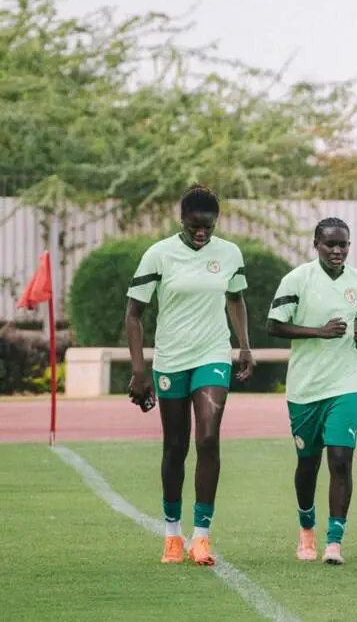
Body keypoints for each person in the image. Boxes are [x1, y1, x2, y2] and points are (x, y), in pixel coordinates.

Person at [126, 184, 255, 566]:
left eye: (208, 227)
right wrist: (139, 369)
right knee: (176, 446)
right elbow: (134, 313)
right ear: (181, 220)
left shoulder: (229, 253)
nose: (201, 234)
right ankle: (171, 534)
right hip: (170, 359)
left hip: (213, 353)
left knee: (209, 437)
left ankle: (201, 536)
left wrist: (244, 345)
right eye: (194, 226)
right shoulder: (159, 254)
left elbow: (236, 298)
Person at [267, 217, 357, 565]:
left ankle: (334, 543)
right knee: (308, 463)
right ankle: (307, 530)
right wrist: (319, 331)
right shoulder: (297, 279)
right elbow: (274, 325)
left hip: (346, 383)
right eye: (331, 244)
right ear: (317, 244)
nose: (338, 250)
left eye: (344, 244)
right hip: (305, 387)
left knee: (341, 460)